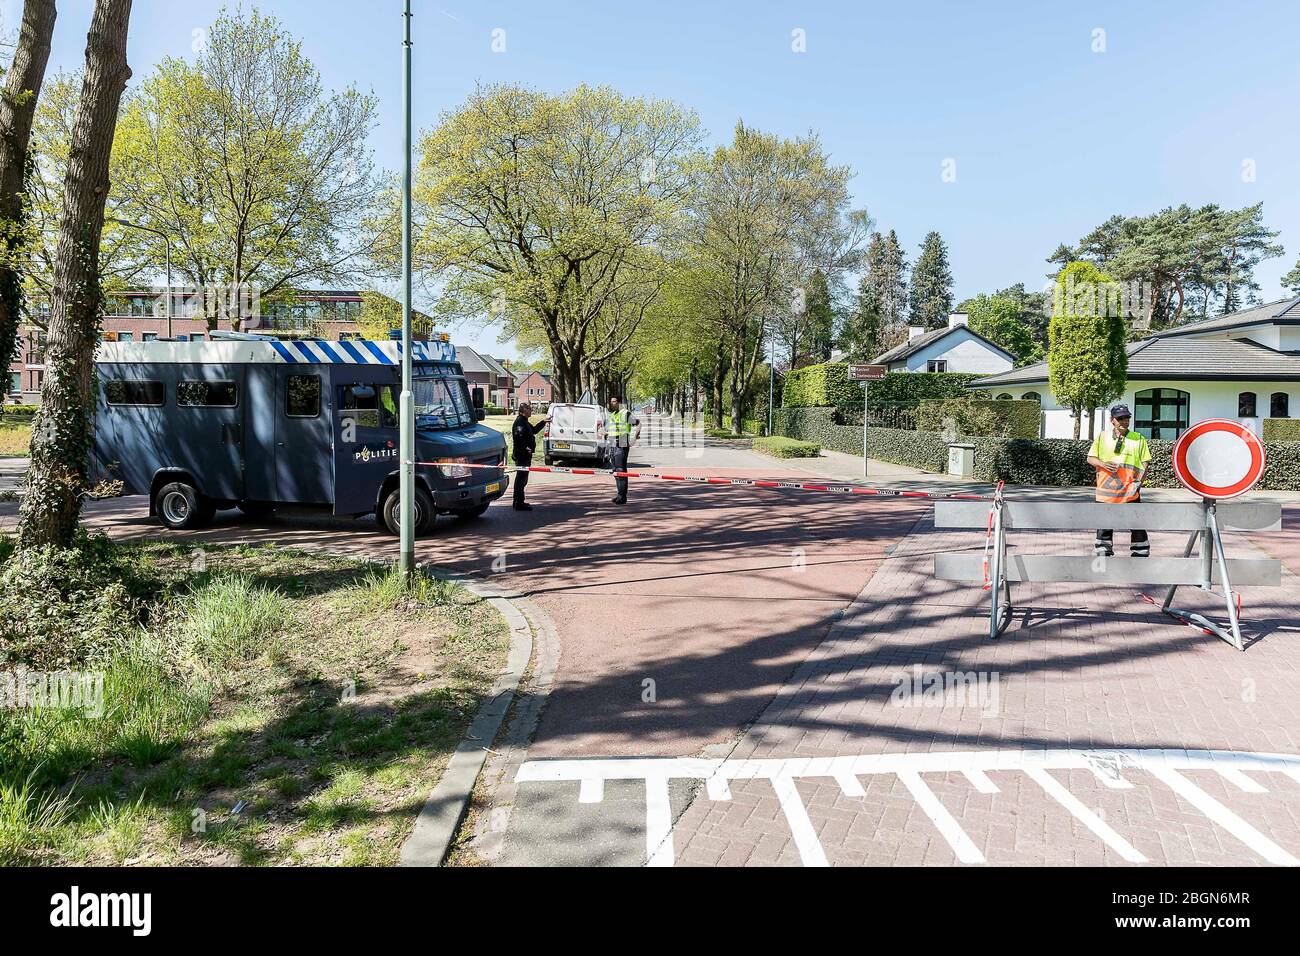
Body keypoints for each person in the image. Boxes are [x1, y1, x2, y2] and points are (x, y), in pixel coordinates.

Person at [1087, 403, 1151, 557]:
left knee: (1136, 523)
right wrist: (1102, 464)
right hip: (1106, 491)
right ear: (1112, 420)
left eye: (1127, 418)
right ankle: (1103, 551)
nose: (1124, 421)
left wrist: (1138, 482)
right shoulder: (1102, 437)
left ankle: (1140, 551)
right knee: (1104, 524)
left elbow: (1145, 462)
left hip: (1129, 491)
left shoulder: (1138, 438)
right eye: (1120, 418)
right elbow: (1090, 458)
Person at [511, 401, 548, 511]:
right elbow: (518, 438)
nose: (531, 411)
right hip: (522, 455)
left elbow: (534, 430)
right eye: (529, 409)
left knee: (522, 478)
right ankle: (519, 502)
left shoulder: (525, 422)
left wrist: (544, 422)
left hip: (525, 455)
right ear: (524, 411)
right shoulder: (519, 422)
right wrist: (526, 448)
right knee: (521, 479)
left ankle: (517, 500)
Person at [606, 396, 641, 505]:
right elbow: (612, 429)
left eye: (614, 402)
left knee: (621, 470)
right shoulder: (613, 414)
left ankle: (622, 496)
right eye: (611, 402)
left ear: (620, 403)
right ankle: (619, 494)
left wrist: (636, 435)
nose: (612, 404)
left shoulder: (625, 413)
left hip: (622, 442)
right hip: (612, 442)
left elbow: (638, 423)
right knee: (616, 470)